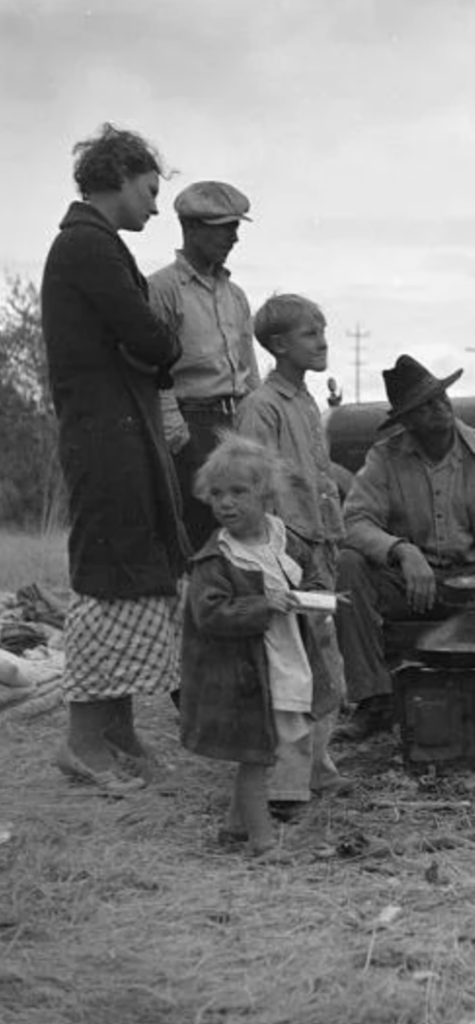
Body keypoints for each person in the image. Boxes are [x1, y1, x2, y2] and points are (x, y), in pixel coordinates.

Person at [41, 123, 188, 792]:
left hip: (119, 428)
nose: (156, 207)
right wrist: (155, 343)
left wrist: (149, 348)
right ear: (119, 177)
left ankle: (118, 727)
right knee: (110, 574)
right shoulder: (87, 248)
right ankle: (81, 740)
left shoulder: (96, 246)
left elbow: (146, 347)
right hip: (107, 435)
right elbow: (155, 341)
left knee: (134, 563)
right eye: (150, 190)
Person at [335, 355, 475, 740]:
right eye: (425, 405)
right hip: (412, 585)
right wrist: (402, 551)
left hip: (474, 585)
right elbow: (353, 522)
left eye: (441, 397)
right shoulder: (384, 458)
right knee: (348, 566)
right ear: (407, 420)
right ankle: (374, 700)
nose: (440, 408)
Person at [179, 434, 339, 858]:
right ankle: (262, 842)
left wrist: (322, 599)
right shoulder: (217, 559)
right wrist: (261, 605)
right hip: (247, 675)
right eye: (216, 494)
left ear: (265, 494)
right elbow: (209, 614)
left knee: (265, 746)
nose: (225, 503)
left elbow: (314, 576)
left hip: (286, 661)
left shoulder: (284, 538)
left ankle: (235, 827)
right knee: (258, 754)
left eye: (237, 492)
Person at [234, 293, 350, 806]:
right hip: (287, 554)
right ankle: (286, 783)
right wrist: (275, 559)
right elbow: (253, 482)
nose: (323, 340)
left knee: (324, 658)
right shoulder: (262, 408)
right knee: (291, 664)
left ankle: (318, 768)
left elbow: (317, 475)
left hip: (319, 545)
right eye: (310, 333)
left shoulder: (305, 401)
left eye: (323, 329)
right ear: (278, 345)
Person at [148, 180, 259, 552]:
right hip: (191, 425)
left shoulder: (236, 295)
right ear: (192, 228)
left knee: (244, 536)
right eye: (225, 228)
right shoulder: (162, 289)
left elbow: (249, 370)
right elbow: (151, 368)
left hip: (236, 426)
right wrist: (176, 435)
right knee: (198, 535)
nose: (234, 238)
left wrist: (255, 426)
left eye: (236, 228)